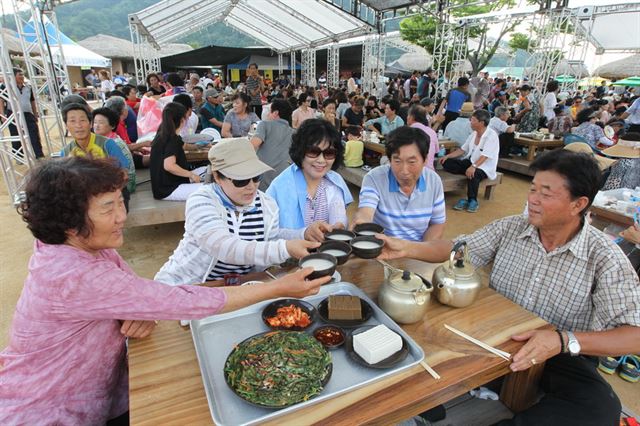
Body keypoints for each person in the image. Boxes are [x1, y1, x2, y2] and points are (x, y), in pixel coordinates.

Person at [0, 157, 327, 425]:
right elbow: (175, 296)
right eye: (108, 208)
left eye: (120, 203)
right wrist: (278, 288)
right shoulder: (71, 274)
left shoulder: (80, 246)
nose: (122, 217)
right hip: (47, 408)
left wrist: (144, 310)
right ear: (69, 222)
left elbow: (140, 297)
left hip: (97, 393)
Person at [378, 149, 640, 426]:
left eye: (546, 194)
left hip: (558, 354)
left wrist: (563, 340)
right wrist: (406, 247)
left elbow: (634, 335)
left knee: (599, 408)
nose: (533, 200)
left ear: (578, 204)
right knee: (413, 336)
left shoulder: (604, 257)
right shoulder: (511, 228)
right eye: (533, 189)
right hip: (492, 339)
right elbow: (457, 250)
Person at [155, 138, 318, 284]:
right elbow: (223, 247)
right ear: (218, 177)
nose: (251, 186)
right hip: (188, 286)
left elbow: (270, 237)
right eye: (241, 180)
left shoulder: (267, 204)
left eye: (256, 177)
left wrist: (303, 234)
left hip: (237, 285)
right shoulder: (202, 200)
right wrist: (285, 249)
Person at [354, 126, 445, 242]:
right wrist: (363, 220)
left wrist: (420, 250)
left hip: (417, 252)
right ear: (389, 159)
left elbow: (437, 224)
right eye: (397, 161)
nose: (404, 170)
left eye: (412, 162)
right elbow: (366, 211)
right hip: (384, 250)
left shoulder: (434, 181)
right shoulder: (374, 178)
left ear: (425, 159)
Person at [267, 119, 352, 242]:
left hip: (327, 256)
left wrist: (338, 226)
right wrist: (303, 234)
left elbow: (338, 214)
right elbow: (269, 233)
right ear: (300, 151)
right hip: (289, 259)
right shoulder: (280, 186)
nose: (321, 160)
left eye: (329, 153)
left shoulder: (334, 182)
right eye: (313, 152)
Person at [59, 103, 132, 207]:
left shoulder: (107, 144)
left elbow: (123, 174)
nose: (78, 125)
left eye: (82, 120)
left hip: (111, 193)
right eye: (72, 121)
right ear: (66, 126)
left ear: (90, 123)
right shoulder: (65, 153)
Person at [440, 109, 499, 213]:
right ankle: (468, 171)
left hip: (484, 166)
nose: (470, 122)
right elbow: (463, 149)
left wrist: (473, 166)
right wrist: (448, 156)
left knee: (474, 174)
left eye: (473, 120)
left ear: (481, 122)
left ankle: (472, 200)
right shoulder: (473, 134)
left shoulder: (491, 135)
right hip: (471, 162)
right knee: (446, 163)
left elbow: (485, 156)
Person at [149, 102, 206, 201]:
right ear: (182, 120)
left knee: (206, 169)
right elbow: (169, 166)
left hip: (166, 184)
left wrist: (199, 146)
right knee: (211, 190)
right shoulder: (172, 139)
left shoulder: (164, 133)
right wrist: (191, 175)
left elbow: (184, 146)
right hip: (169, 189)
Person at [250, 99, 294, 191]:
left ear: (275, 113)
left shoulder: (265, 124)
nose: (267, 114)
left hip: (263, 179)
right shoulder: (294, 132)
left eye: (269, 112)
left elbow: (253, 145)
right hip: (284, 179)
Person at [0, 67, 44, 159]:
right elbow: (1, 100)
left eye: (23, 74)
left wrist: (35, 114)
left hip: (28, 114)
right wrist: (2, 115)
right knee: (16, 136)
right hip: (13, 114)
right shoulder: (6, 87)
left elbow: (32, 101)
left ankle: (39, 155)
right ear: (13, 76)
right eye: (20, 75)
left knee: (34, 134)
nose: (22, 76)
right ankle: (19, 156)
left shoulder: (28, 86)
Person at [92, 107, 137, 195]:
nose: (96, 126)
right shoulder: (108, 138)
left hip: (125, 185)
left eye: (101, 123)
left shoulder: (112, 143)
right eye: (95, 122)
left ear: (112, 125)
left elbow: (119, 171)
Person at [406, 105, 437, 170]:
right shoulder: (432, 132)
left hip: (412, 171)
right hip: (430, 171)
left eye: (408, 115)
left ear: (411, 117)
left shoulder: (407, 132)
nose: (407, 117)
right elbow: (436, 151)